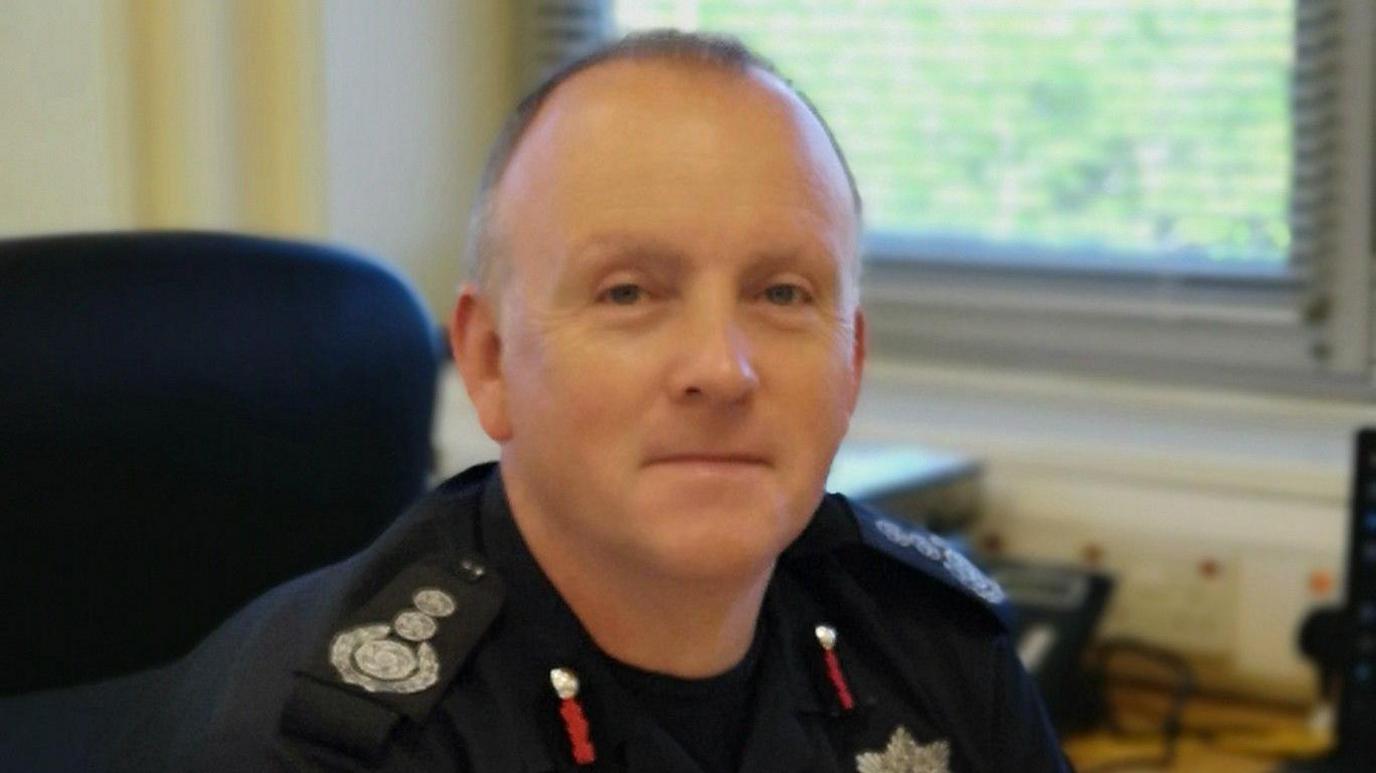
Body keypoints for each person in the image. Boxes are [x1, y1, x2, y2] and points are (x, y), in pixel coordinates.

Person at [2, 30, 1069, 772]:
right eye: (628, 292)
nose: (721, 366)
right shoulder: (320, 744)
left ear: (852, 360)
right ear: (490, 360)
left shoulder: (935, 652)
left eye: (782, 293)